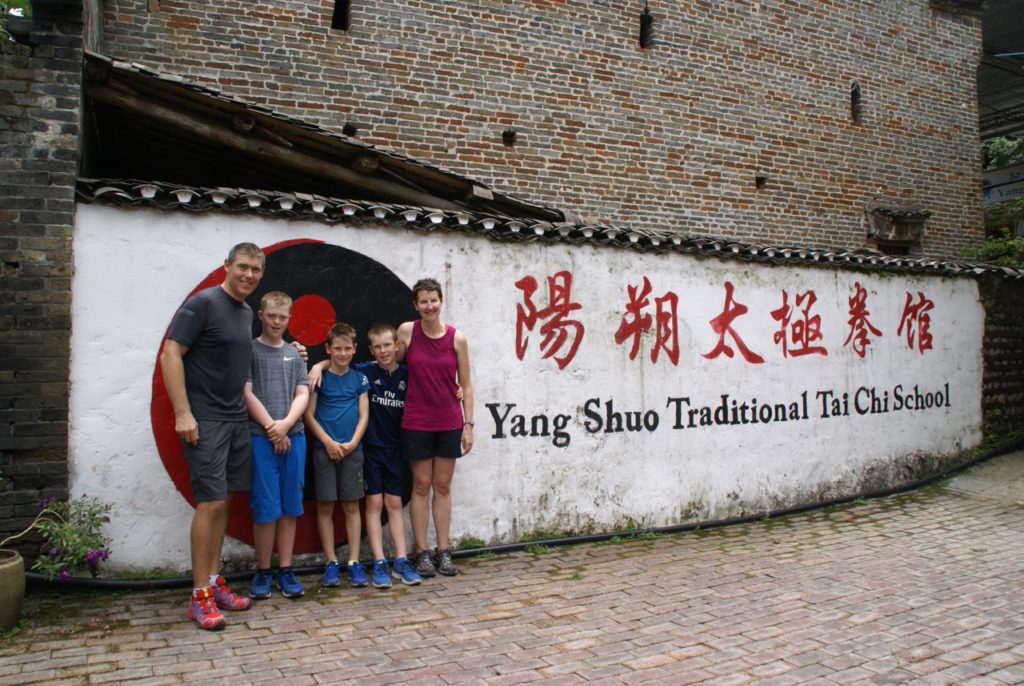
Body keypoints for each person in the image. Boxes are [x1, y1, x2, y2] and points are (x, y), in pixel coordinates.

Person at [160, 242, 264, 631]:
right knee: (209, 502)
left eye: (256, 270)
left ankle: (213, 581)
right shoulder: (201, 304)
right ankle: (198, 596)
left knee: (224, 501)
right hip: (206, 421)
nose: (249, 275)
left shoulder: (245, 311)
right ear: (227, 266)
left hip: (236, 419)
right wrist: (183, 412)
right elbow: (171, 354)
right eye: (243, 267)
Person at [397, 277, 474, 578]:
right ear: (416, 305)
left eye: (434, 300)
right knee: (420, 485)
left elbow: (466, 385)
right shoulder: (407, 331)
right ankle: (422, 551)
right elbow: (388, 359)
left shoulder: (457, 339)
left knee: (442, 486)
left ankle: (443, 550)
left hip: (448, 421)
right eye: (423, 301)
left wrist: (468, 425)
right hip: (416, 419)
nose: (429, 306)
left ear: (441, 302)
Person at [243, 291, 310, 600]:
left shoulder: (295, 354)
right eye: (271, 316)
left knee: (289, 507)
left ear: (289, 319)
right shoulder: (250, 351)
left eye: (282, 317)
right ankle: (263, 570)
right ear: (261, 315)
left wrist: (285, 426)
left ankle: (285, 568)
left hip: (293, 437)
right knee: (265, 508)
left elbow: (302, 393)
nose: (277, 322)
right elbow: (246, 392)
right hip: (261, 439)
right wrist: (271, 427)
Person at [303, 322, 370, 589]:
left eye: (347, 349)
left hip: (353, 451)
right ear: (328, 349)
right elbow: (308, 413)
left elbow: (364, 414)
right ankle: (331, 561)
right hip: (324, 450)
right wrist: (328, 442)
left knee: (352, 506)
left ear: (354, 350)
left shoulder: (359, 379)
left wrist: (353, 442)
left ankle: (354, 562)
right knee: (326, 506)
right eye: (337, 349)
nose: (342, 354)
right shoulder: (319, 378)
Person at [356, 324, 423, 588]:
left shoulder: (409, 374)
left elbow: (434, 382)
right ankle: (380, 561)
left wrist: (458, 390)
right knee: (373, 505)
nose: (383, 351)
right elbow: (335, 364)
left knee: (394, 504)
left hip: (397, 450)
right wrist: (317, 366)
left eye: (388, 345)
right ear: (371, 349)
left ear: (397, 345)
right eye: (378, 346)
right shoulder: (364, 372)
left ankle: (402, 560)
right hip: (371, 449)